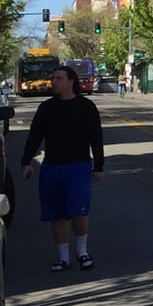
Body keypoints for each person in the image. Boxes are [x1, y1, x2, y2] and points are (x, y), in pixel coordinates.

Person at [21, 64, 107, 272]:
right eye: (54, 78)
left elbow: (96, 138)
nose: (54, 81)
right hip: (52, 166)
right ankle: (63, 257)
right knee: (56, 213)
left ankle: (82, 252)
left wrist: (99, 165)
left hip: (78, 166)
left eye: (59, 78)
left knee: (79, 210)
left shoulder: (86, 107)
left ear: (71, 81)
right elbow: (35, 137)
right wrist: (25, 162)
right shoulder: (46, 108)